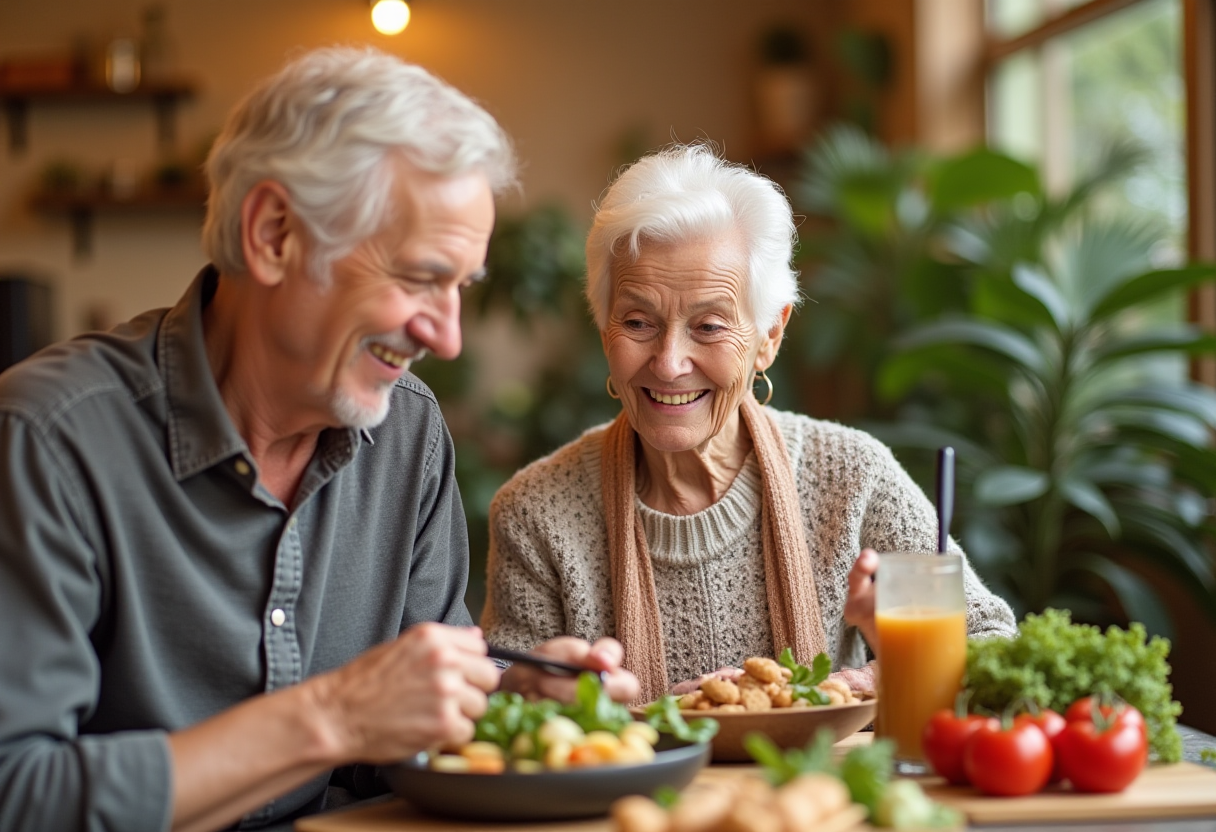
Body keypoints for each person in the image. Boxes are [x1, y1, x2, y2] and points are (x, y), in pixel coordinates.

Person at [0, 47, 635, 832]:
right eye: (418, 276)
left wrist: (507, 697)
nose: (448, 334)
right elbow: (18, 794)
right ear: (273, 234)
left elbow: (400, 735)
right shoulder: (47, 439)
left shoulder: (409, 430)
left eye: (460, 287)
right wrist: (333, 714)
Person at [481, 143, 1017, 705]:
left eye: (709, 326)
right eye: (638, 321)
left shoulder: (852, 477)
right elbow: (501, 712)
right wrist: (632, 716)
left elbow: (991, 647)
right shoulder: (537, 512)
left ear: (769, 337)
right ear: (604, 327)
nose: (668, 362)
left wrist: (876, 679)